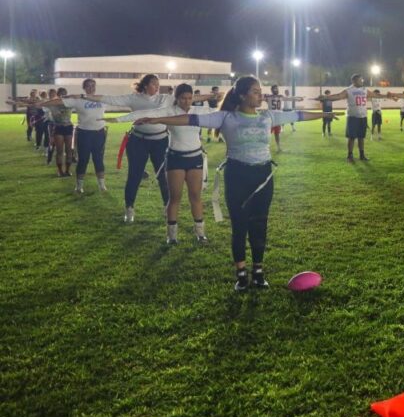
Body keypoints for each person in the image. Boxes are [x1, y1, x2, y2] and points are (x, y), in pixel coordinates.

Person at [132, 76, 335, 290]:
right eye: (255, 91)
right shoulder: (226, 117)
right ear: (241, 95)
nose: (260, 94)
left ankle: (258, 272)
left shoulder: (268, 116)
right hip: (237, 176)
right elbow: (189, 119)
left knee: (259, 225)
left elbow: (299, 115)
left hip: (263, 177)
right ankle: (241, 275)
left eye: (260, 91)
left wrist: (326, 113)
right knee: (239, 227)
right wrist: (157, 120)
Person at [83, 74, 214, 223]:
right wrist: (86, 96)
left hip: (161, 141)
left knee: (164, 177)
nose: (157, 86)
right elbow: (111, 99)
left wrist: (213, 96)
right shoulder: (134, 98)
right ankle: (129, 208)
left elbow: (189, 99)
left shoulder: (165, 99)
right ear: (145, 85)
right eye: (153, 84)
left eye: (158, 84)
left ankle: (167, 207)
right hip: (138, 141)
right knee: (135, 175)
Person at [118, 84, 214, 244]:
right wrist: (118, 119)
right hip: (176, 158)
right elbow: (146, 113)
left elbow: (221, 114)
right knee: (174, 197)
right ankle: (172, 235)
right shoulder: (169, 111)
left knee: (195, 196)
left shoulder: (199, 111)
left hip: (195, 157)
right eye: (183, 98)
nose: (187, 101)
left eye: (190, 98)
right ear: (176, 98)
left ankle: (200, 232)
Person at [57, 79, 109, 193]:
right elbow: (59, 101)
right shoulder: (78, 100)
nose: (91, 88)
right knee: (83, 160)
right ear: (84, 88)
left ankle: (102, 185)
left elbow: (121, 100)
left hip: (99, 133)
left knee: (98, 159)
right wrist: (40, 103)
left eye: (93, 86)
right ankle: (79, 186)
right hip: (84, 133)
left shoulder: (101, 99)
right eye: (88, 86)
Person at [319, 74, 385, 162]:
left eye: (362, 80)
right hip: (352, 117)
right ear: (354, 81)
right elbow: (338, 96)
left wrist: (388, 96)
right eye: (360, 80)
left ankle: (362, 155)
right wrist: (326, 97)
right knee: (352, 137)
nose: (362, 81)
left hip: (363, 117)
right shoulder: (349, 90)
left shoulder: (365, 90)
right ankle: (350, 156)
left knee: (361, 137)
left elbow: (376, 95)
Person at [263, 85, 303, 152]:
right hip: (274, 118)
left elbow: (260, 98)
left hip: (274, 118)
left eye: (276, 89)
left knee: (275, 134)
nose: (276, 90)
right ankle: (270, 147)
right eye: (275, 89)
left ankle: (277, 147)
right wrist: (298, 99)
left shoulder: (269, 97)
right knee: (271, 134)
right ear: (273, 90)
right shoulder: (279, 96)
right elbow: (289, 98)